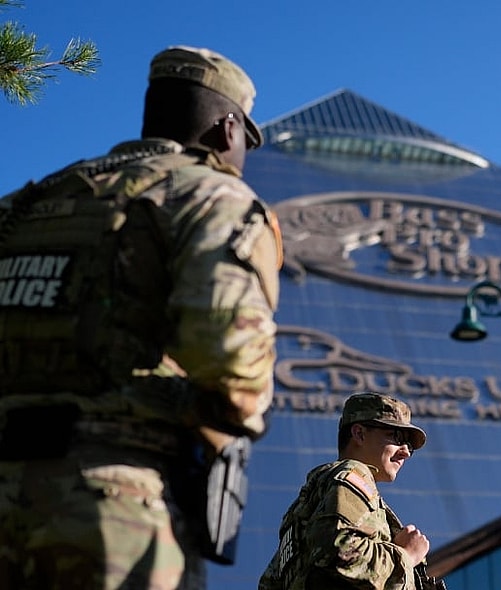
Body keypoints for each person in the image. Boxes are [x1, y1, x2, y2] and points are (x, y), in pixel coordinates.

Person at [0, 45, 281, 589]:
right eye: (245, 140)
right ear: (228, 129)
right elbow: (233, 368)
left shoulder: (24, 204)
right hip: (110, 508)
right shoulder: (210, 194)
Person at [259, 392, 442, 590]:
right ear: (359, 434)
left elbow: (269, 583)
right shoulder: (353, 474)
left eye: (409, 446)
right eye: (395, 436)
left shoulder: (304, 509)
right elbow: (342, 551)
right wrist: (406, 555)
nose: (405, 451)